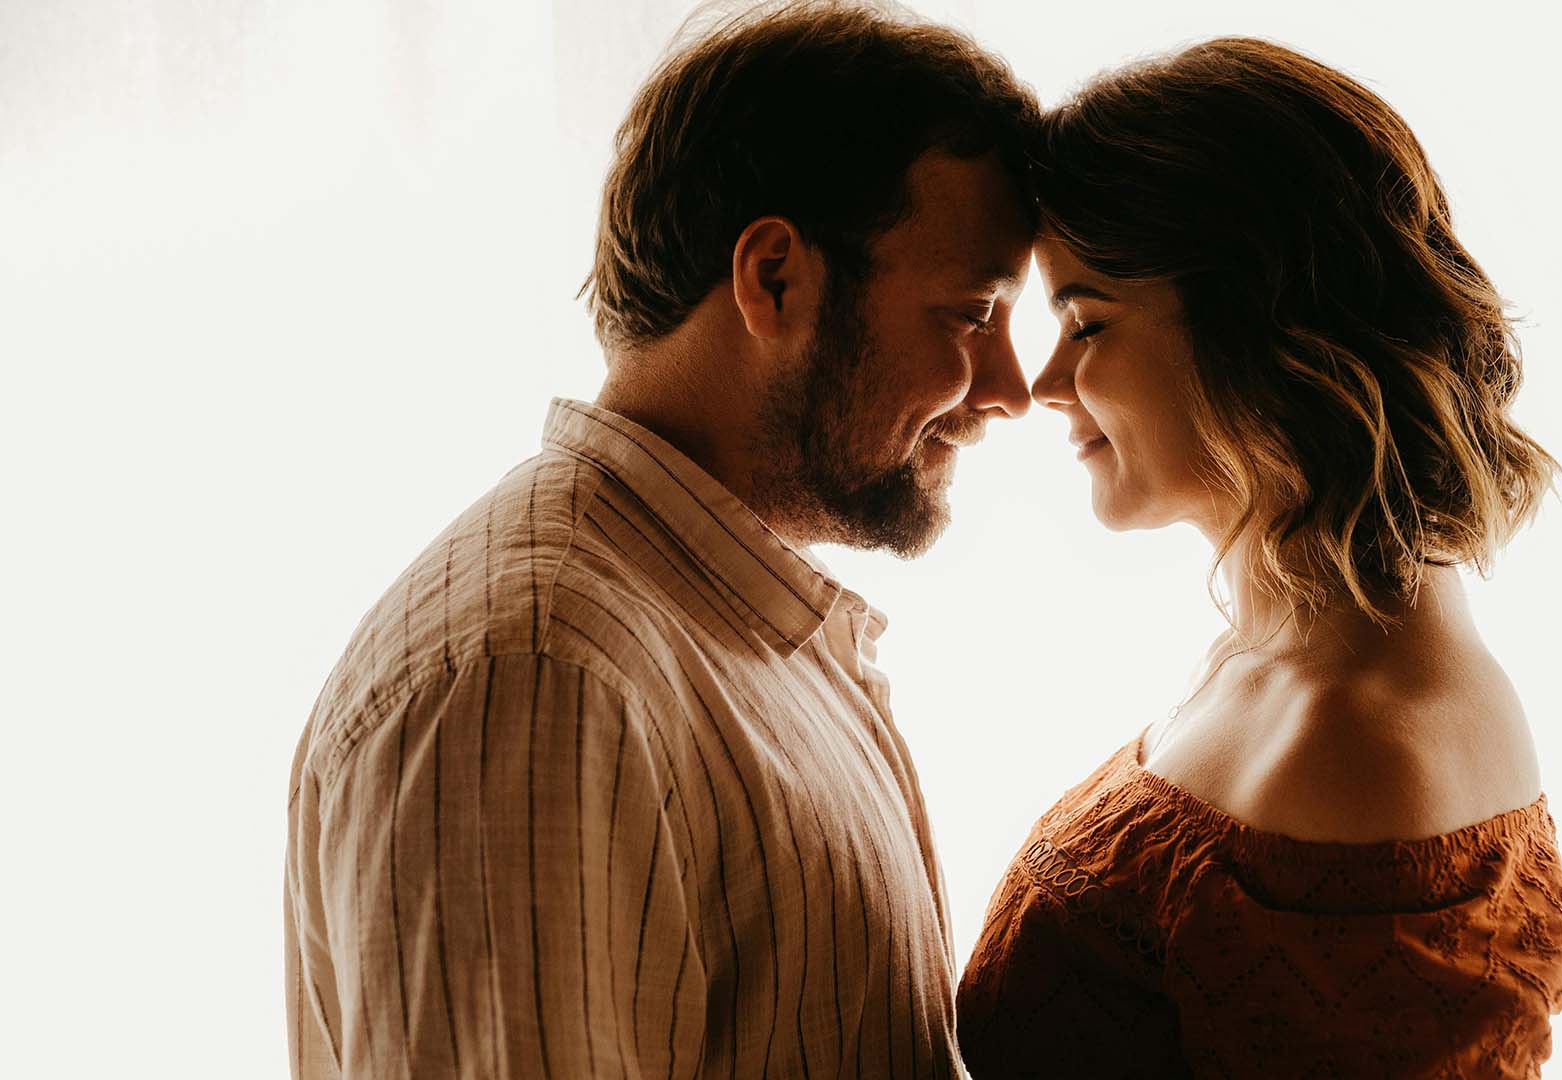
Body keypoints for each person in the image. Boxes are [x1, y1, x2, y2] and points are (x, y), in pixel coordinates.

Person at [282, 3, 1036, 1076]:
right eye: (971, 315)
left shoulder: (718, 634)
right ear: (774, 278)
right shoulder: (535, 677)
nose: (1010, 389)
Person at [957, 38, 1562, 1078]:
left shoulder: (1362, 744)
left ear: (1253, 324)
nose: (1045, 383)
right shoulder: (1274, 646)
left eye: (1085, 320)